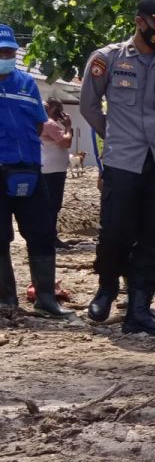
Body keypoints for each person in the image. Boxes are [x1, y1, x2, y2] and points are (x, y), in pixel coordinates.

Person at [80, 0, 155, 336]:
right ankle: (107, 290)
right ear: (140, 21)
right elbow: (89, 106)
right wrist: (114, 136)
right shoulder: (107, 59)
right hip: (122, 161)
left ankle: (140, 309)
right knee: (115, 231)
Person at [0, 23, 72, 319]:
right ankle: (6, 301)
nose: (5, 55)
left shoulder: (26, 83)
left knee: (42, 233)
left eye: (9, 51)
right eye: (1, 51)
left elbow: (41, 124)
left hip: (29, 168)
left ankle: (46, 297)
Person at [40, 97, 73, 249]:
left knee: (50, 205)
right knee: (52, 205)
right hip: (52, 171)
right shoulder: (50, 123)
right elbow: (66, 142)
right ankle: (50, 238)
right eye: (58, 108)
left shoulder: (46, 122)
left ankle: (48, 237)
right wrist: (68, 126)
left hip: (51, 170)